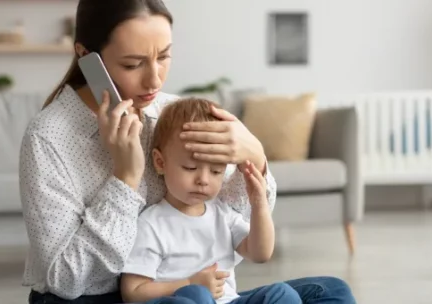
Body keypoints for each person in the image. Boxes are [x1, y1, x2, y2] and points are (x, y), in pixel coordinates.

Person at [19, 0, 356, 303]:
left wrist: (255, 156)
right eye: (134, 64)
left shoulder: (174, 114)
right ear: (86, 57)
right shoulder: (49, 137)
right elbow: (65, 280)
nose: (155, 81)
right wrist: (125, 178)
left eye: (163, 56)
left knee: (331, 292)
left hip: (197, 291)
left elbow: (234, 223)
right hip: (96, 298)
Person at [120, 98, 301, 304]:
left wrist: (259, 205)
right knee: (196, 296)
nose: (203, 180)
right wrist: (188, 284)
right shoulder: (151, 224)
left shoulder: (224, 215)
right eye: (190, 168)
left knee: (282, 293)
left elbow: (260, 254)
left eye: (216, 171)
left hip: (230, 301)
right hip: (186, 300)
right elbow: (132, 292)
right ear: (160, 162)